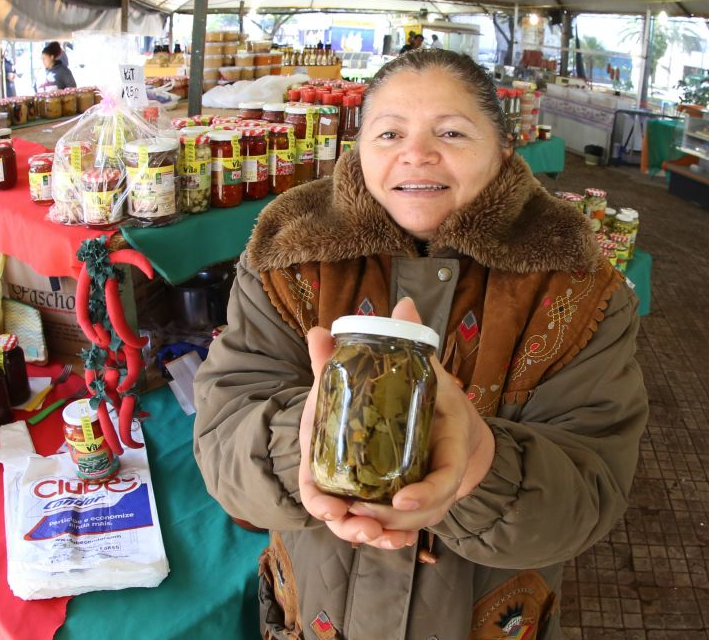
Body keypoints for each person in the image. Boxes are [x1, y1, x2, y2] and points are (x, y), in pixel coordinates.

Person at [193, 49, 647, 640]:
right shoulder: (289, 257)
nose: (417, 153)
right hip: (314, 608)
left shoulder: (578, 287)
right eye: (389, 133)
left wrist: (481, 464)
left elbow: (592, 491)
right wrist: (303, 441)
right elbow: (224, 437)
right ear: (358, 148)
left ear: (503, 148)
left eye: (451, 132)